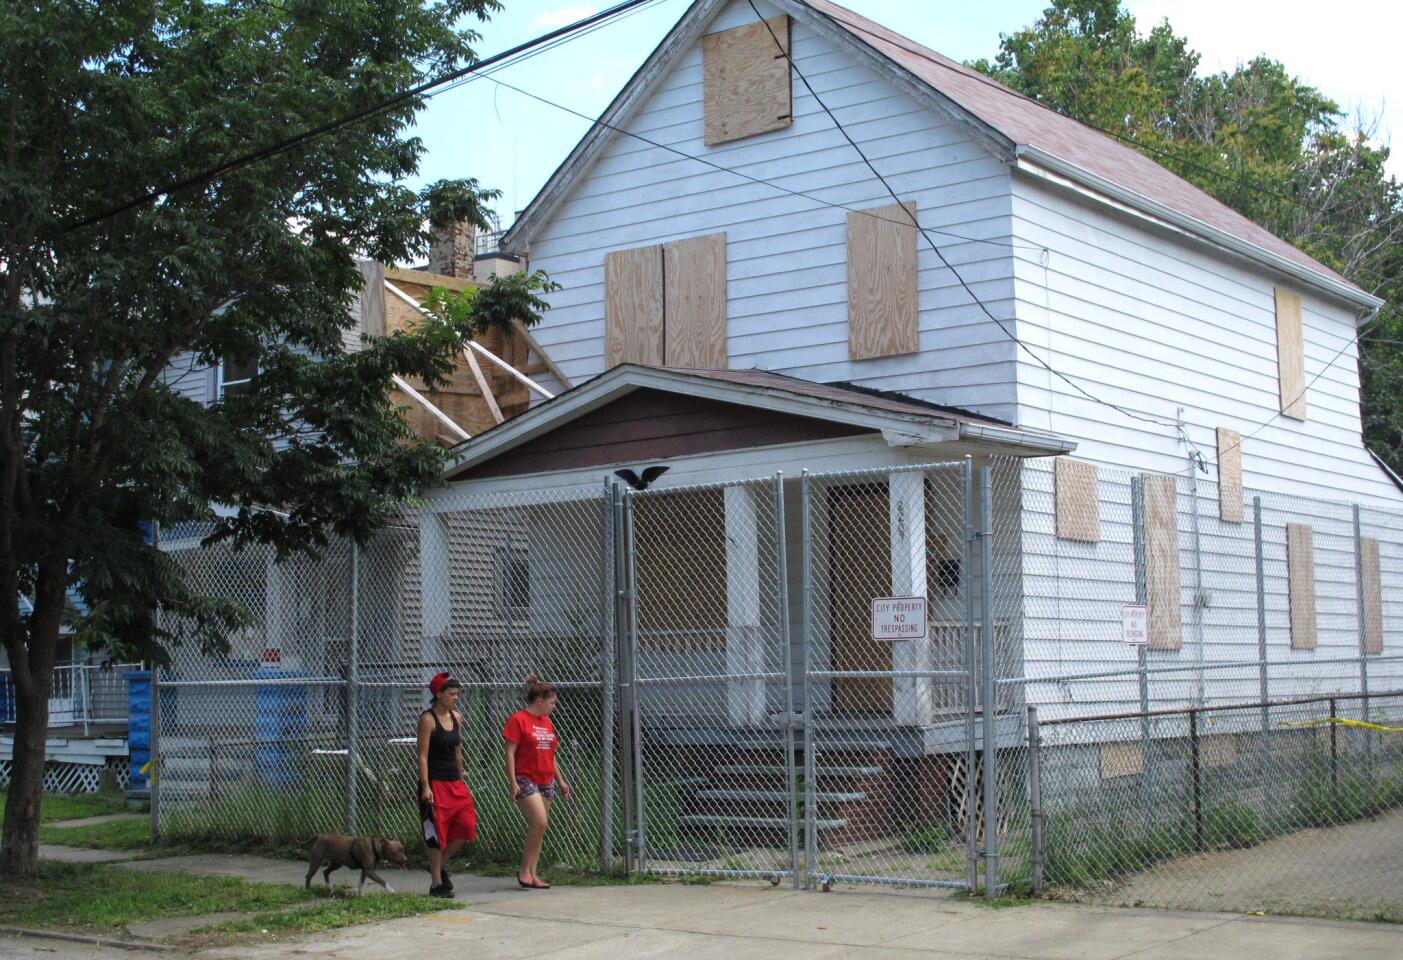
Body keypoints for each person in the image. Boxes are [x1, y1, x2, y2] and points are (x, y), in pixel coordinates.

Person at [502, 673, 571, 890]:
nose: (554, 706)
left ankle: (533, 873)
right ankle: (523, 870)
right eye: (552, 702)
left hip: (545, 779)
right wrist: (513, 782)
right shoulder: (518, 720)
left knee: (538, 827)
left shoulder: (548, 723)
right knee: (540, 821)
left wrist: (561, 780)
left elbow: (551, 756)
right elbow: (510, 753)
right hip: (525, 778)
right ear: (539, 700)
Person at [417, 671, 477, 898]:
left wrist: (462, 778)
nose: (456, 697)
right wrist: (425, 787)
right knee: (436, 834)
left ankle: (437, 866)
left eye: (457, 693)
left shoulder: (456, 718)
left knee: (466, 826)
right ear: (439, 694)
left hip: (455, 783)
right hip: (435, 783)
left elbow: (457, 749)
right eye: (452, 693)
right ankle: (436, 884)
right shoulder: (427, 719)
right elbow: (422, 756)